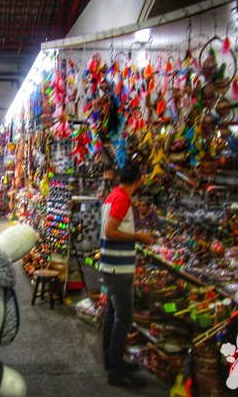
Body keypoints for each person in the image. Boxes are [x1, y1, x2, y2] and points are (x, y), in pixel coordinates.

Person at [99, 163, 154, 388]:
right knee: (123, 319)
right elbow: (110, 231)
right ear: (138, 182)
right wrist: (138, 237)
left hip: (110, 265)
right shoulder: (122, 199)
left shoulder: (112, 196)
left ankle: (112, 360)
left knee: (113, 315)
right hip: (118, 269)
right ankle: (115, 371)